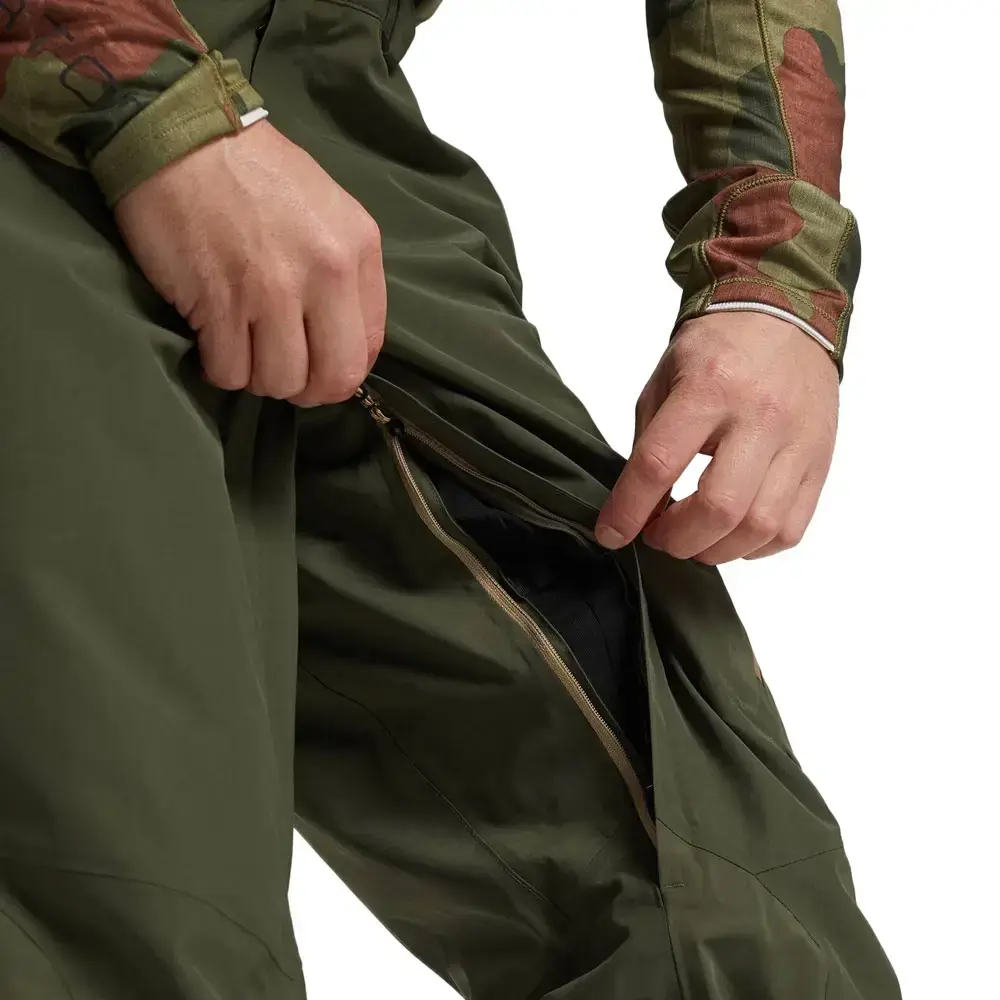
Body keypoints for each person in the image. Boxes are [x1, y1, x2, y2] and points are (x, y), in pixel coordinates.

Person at [0, 1, 899, 997]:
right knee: (119, 901)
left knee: (732, 920)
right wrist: (146, 96)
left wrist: (777, 275)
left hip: (334, 141)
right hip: (37, 114)